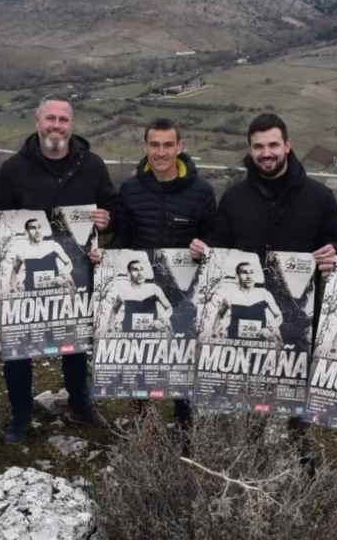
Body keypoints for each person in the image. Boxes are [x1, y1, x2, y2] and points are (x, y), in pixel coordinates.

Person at [190, 113, 337, 465]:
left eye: (273, 144)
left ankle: (301, 459)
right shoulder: (234, 197)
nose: (266, 152)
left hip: (298, 320)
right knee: (251, 400)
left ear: (288, 146)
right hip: (251, 320)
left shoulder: (319, 197)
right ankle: (251, 457)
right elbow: (219, 245)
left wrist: (334, 254)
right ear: (250, 150)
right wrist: (203, 250)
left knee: (295, 404)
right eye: (258, 146)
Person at [0, 98, 116, 444]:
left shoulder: (93, 165)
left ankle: (79, 402)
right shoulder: (14, 168)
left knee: (74, 344)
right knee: (19, 347)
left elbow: (112, 208)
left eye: (63, 119)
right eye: (50, 119)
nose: (56, 125)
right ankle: (21, 414)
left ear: (71, 124)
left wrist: (108, 218)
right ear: (37, 121)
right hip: (25, 283)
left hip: (74, 275)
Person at [114, 118, 216, 425]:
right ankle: (144, 428)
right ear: (146, 148)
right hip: (142, 290)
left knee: (181, 362)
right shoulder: (130, 189)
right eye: (155, 145)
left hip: (185, 294)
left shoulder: (201, 191)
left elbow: (215, 238)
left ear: (180, 147)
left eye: (168, 145)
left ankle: (184, 428)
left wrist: (206, 249)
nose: (161, 152)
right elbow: (121, 240)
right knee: (141, 361)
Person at [210, 260, 284, 342]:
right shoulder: (230, 295)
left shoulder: (264, 294)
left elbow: (278, 316)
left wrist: (270, 329)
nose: (249, 276)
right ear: (237, 276)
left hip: (259, 343)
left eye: (251, 272)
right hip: (234, 342)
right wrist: (215, 332)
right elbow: (220, 314)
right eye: (244, 272)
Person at [102, 259, 173, 334]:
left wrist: (162, 319)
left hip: (151, 334)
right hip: (129, 334)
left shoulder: (154, 289)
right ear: (129, 273)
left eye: (142, 269)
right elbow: (114, 310)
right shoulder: (124, 292)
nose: (140, 273)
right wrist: (110, 327)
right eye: (135, 270)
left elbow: (169, 308)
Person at [5, 216, 75, 292]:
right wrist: (13, 286)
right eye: (33, 228)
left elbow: (68, 263)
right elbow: (15, 270)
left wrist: (62, 275)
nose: (37, 231)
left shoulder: (53, 245)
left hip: (54, 290)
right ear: (26, 231)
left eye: (39, 227)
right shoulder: (22, 250)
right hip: (31, 292)